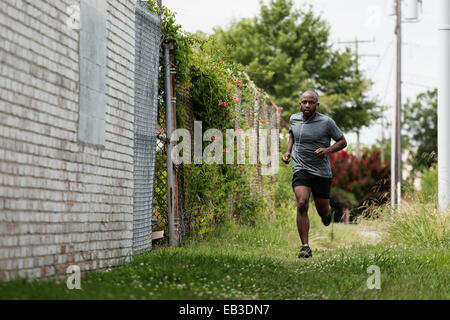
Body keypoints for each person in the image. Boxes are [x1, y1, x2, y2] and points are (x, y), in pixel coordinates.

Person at [282, 91, 347, 258]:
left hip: (321, 172)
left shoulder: (326, 122)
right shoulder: (294, 119)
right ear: (300, 103)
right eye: (304, 102)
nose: (307, 105)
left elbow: (342, 141)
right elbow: (292, 135)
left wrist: (327, 150)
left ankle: (327, 215)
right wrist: (288, 152)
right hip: (301, 168)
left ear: (317, 105)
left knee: (323, 212)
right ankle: (305, 246)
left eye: (311, 102)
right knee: (302, 203)